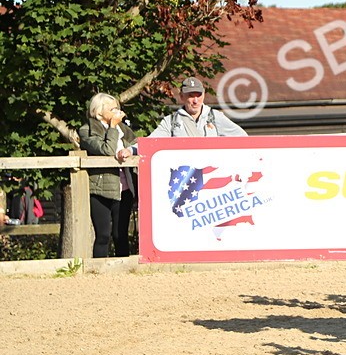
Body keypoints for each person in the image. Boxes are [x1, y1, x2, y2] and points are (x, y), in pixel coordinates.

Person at [117, 76, 246, 161]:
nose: (195, 101)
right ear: (182, 97)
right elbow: (151, 142)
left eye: (198, 95)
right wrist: (130, 150)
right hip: (185, 181)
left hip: (212, 177)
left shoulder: (215, 116)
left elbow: (243, 139)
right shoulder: (171, 121)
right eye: (191, 96)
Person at [78, 93, 138, 257]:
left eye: (118, 108)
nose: (118, 112)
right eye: (113, 109)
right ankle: (99, 273)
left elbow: (138, 145)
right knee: (103, 236)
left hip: (124, 189)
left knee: (121, 235)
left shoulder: (124, 130)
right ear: (98, 112)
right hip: (100, 190)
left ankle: (124, 272)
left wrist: (130, 150)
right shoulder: (87, 130)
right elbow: (107, 150)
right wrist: (112, 128)